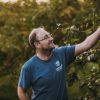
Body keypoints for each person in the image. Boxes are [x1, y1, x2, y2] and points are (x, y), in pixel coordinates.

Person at [17, 27, 100, 100]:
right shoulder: (29, 67)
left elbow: (86, 44)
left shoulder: (61, 53)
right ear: (37, 44)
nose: (51, 38)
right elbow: (21, 91)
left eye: (49, 35)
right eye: (46, 37)